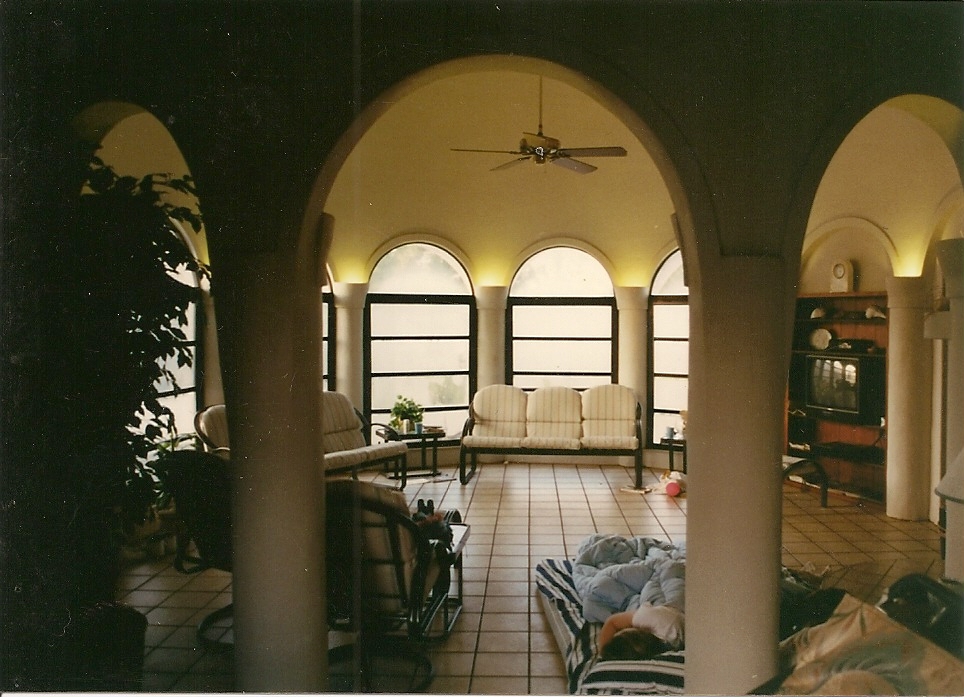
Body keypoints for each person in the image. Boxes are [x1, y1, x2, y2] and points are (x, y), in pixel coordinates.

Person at [597, 602, 685, 661]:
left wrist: (603, 655)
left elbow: (612, 622)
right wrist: (602, 654)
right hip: (669, 605)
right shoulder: (648, 619)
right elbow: (612, 622)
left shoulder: (666, 645)